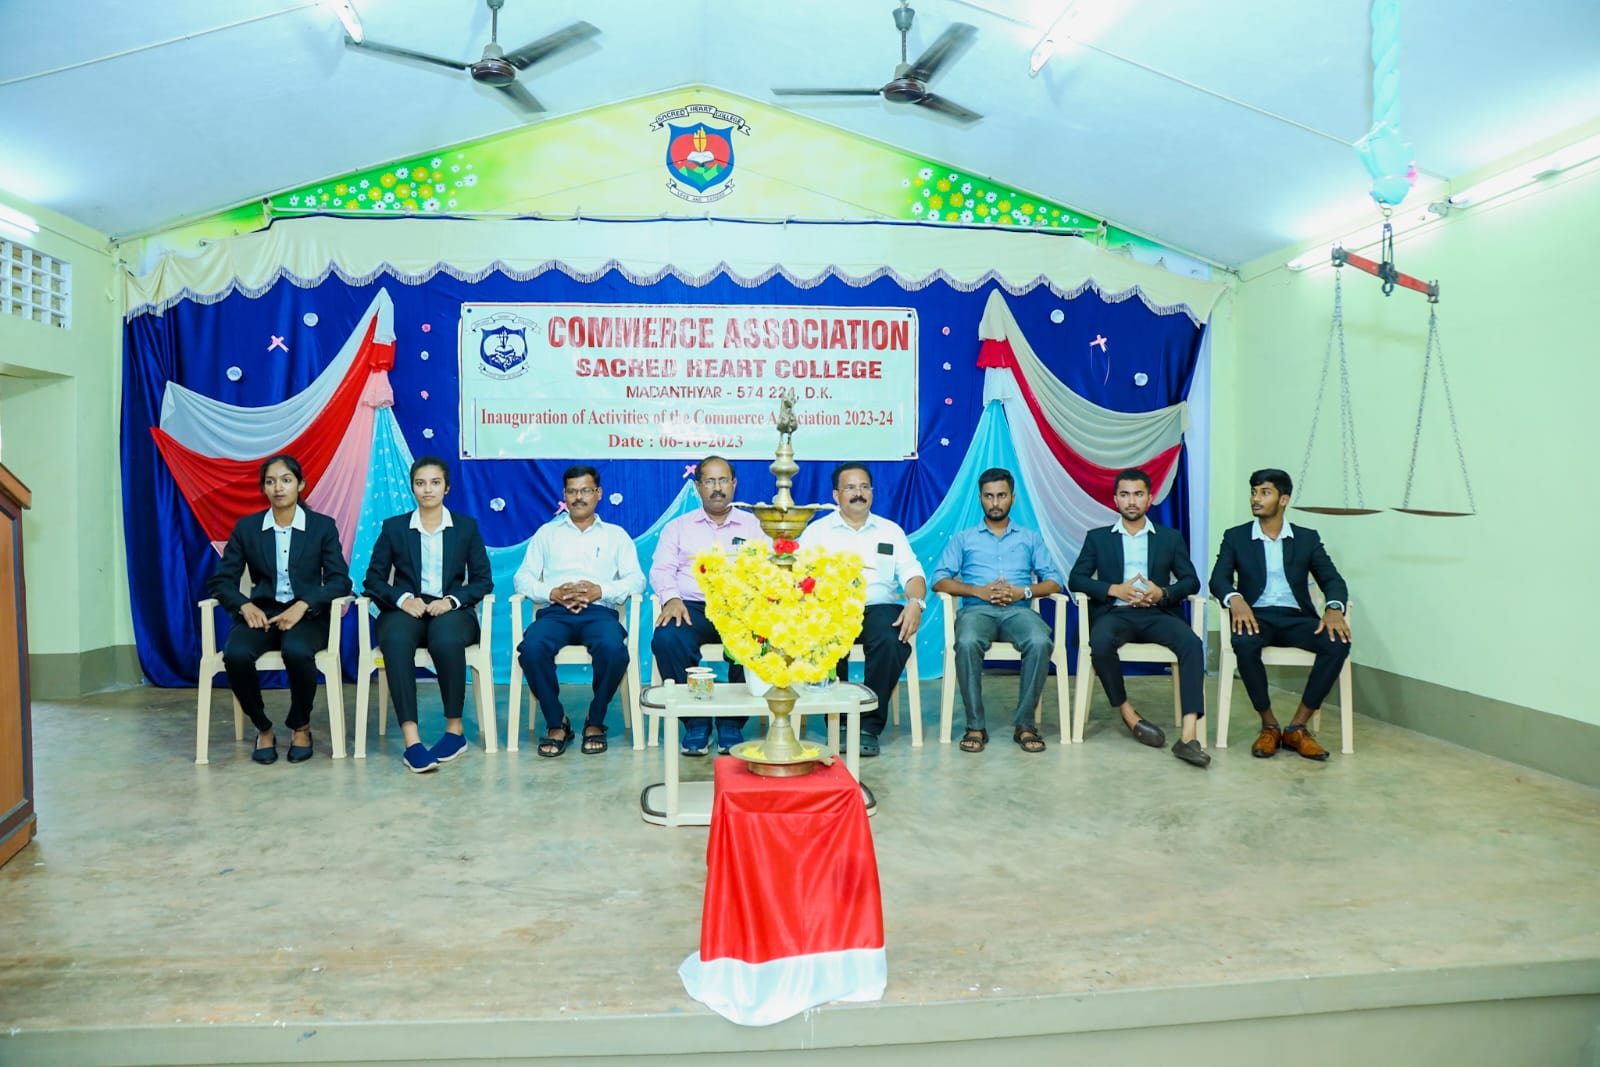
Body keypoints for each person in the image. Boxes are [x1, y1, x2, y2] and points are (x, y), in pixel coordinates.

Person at [209, 454, 351, 765]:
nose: (278, 488)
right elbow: (222, 581)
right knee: (235, 655)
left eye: (286, 480)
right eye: (271, 482)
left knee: (297, 651)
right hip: (262, 613)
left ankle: (301, 726)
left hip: (307, 615)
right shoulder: (247, 528)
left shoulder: (321, 526)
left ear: (300, 485)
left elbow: (340, 581)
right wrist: (244, 605)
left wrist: (305, 604)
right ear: (263, 488)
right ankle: (263, 727)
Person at [1067, 468, 1209, 768]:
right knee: (1100, 642)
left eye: (1138, 494)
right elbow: (1076, 579)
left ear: (1150, 498)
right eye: (1125, 494)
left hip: (1158, 613)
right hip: (1115, 613)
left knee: (1192, 644)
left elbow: (1191, 581)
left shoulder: (1170, 538)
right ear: (1115, 499)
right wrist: (1113, 589)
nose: (1131, 501)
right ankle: (1129, 715)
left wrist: (1163, 593)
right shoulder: (1098, 538)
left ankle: (1188, 737)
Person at [1209, 468, 1351, 761]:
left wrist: (1334, 608)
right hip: (1256, 616)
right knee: (1244, 642)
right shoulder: (1236, 537)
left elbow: (1333, 580)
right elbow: (1218, 579)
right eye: (1253, 492)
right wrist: (1235, 599)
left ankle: (1297, 727)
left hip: (1297, 618)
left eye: (1265, 493)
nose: (1255, 499)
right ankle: (1269, 725)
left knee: (1338, 642)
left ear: (1283, 499)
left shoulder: (1306, 539)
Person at [364, 456, 494, 773]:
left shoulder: (466, 527)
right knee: (395, 640)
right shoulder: (394, 528)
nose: (427, 489)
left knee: (446, 638)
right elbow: (373, 580)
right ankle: (413, 742)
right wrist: (403, 599)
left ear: (446, 487)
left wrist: (452, 601)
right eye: (420, 483)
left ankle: (455, 732)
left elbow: (482, 580)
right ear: (412, 487)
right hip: (406, 609)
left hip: (451, 610)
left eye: (435, 483)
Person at [513, 464, 644, 757]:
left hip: (598, 612)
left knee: (613, 650)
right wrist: (552, 592)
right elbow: (522, 578)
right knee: (531, 649)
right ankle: (556, 722)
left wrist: (601, 591)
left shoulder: (616, 535)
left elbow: (637, 580)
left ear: (598, 493)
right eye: (572, 492)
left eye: (586, 491)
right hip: (555, 612)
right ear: (564, 495)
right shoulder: (547, 533)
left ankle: (595, 720)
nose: (579, 497)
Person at [798, 462, 927, 756]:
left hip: (877, 607)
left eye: (864, 487)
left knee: (892, 638)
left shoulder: (890, 531)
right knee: (821, 636)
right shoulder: (817, 532)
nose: (859, 493)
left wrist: (915, 602)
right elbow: (798, 577)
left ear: (872, 492)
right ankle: (840, 720)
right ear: (836, 495)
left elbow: (913, 575)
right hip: (831, 609)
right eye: (850, 488)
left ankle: (868, 725)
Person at [930, 468, 1062, 754]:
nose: (995, 502)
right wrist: (977, 591)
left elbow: (1055, 582)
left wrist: (1022, 592)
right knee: (966, 641)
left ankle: (1025, 724)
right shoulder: (964, 538)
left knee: (1039, 641)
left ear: (1013, 498)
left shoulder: (1030, 538)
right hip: (977, 612)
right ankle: (975, 726)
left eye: (1001, 495)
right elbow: (939, 580)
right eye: (989, 496)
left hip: (1019, 611)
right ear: (980, 498)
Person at [649, 455, 764, 756]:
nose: (717, 488)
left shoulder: (754, 526)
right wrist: (671, 598)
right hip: (692, 607)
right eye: (710, 481)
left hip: (739, 608)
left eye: (723, 480)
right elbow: (661, 569)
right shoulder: (678, 527)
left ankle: (732, 721)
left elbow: (768, 568)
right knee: (667, 638)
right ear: (698, 487)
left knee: (758, 636)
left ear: (734, 484)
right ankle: (695, 720)